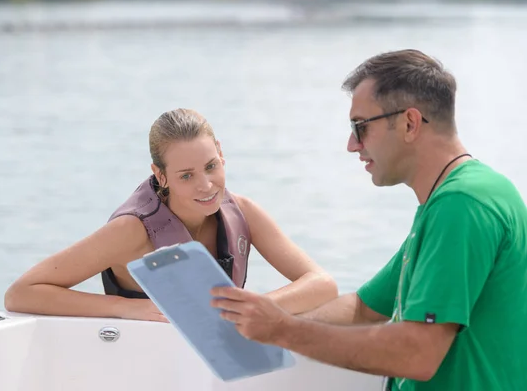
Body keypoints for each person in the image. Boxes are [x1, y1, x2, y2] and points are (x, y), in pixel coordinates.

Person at [211, 49, 527, 390]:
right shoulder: (461, 196)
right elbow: (364, 309)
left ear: (410, 123)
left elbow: (418, 354)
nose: (351, 144)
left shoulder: (462, 204)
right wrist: (261, 322)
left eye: (360, 126)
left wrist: (283, 330)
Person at [5, 108, 338, 322]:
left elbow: (323, 285)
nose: (206, 185)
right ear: (160, 175)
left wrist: (253, 309)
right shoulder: (132, 230)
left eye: (212, 166)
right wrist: (126, 308)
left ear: (221, 153)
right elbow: (22, 293)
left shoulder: (244, 213)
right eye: (186, 175)